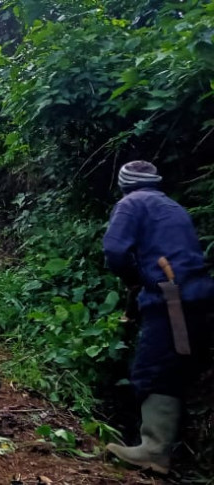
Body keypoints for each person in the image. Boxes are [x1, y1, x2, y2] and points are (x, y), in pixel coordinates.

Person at [102, 160, 214, 475]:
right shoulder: (173, 206)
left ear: (125, 185)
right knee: (175, 368)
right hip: (198, 296)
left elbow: (114, 251)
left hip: (170, 299)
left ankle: (154, 450)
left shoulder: (131, 203)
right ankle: (162, 447)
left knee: (154, 369)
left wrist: (136, 278)